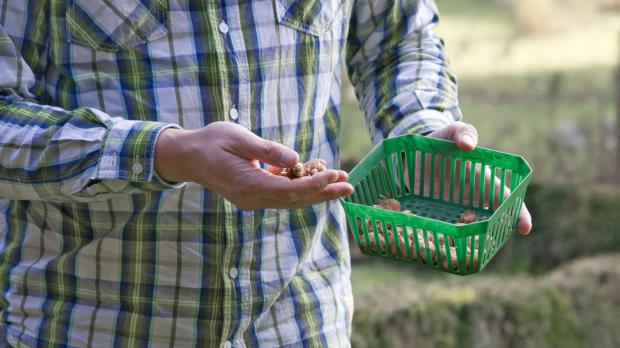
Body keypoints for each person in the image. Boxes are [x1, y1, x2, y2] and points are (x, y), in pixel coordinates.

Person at [0, 0, 532, 346]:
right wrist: (164, 152)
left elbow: (397, 38)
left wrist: (422, 130)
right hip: (96, 326)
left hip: (302, 324)